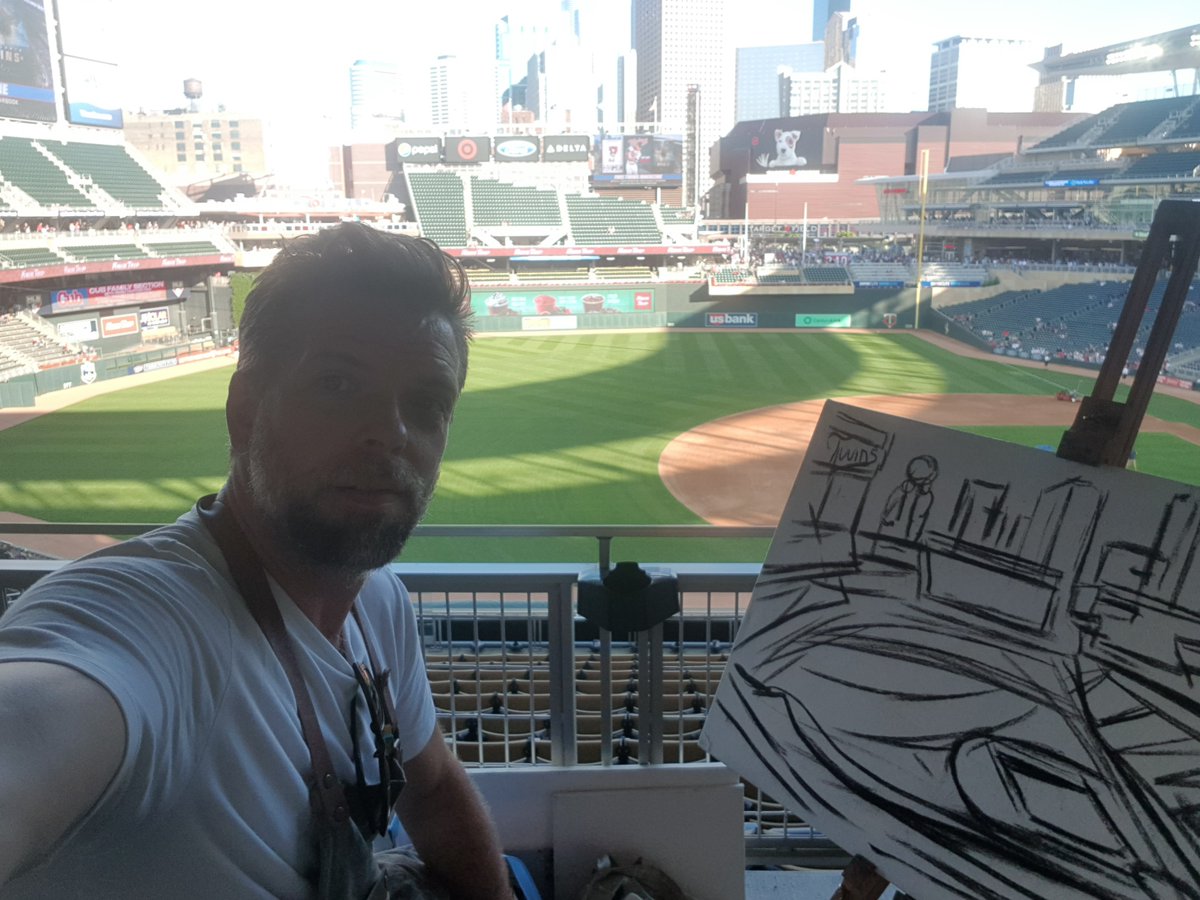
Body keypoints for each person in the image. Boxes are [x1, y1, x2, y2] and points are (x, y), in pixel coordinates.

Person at [0, 223, 514, 898]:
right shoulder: (147, 620)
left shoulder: (379, 603)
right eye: (337, 384)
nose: (389, 432)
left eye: (425, 405)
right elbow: (37, 720)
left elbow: (436, 787)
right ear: (245, 409)